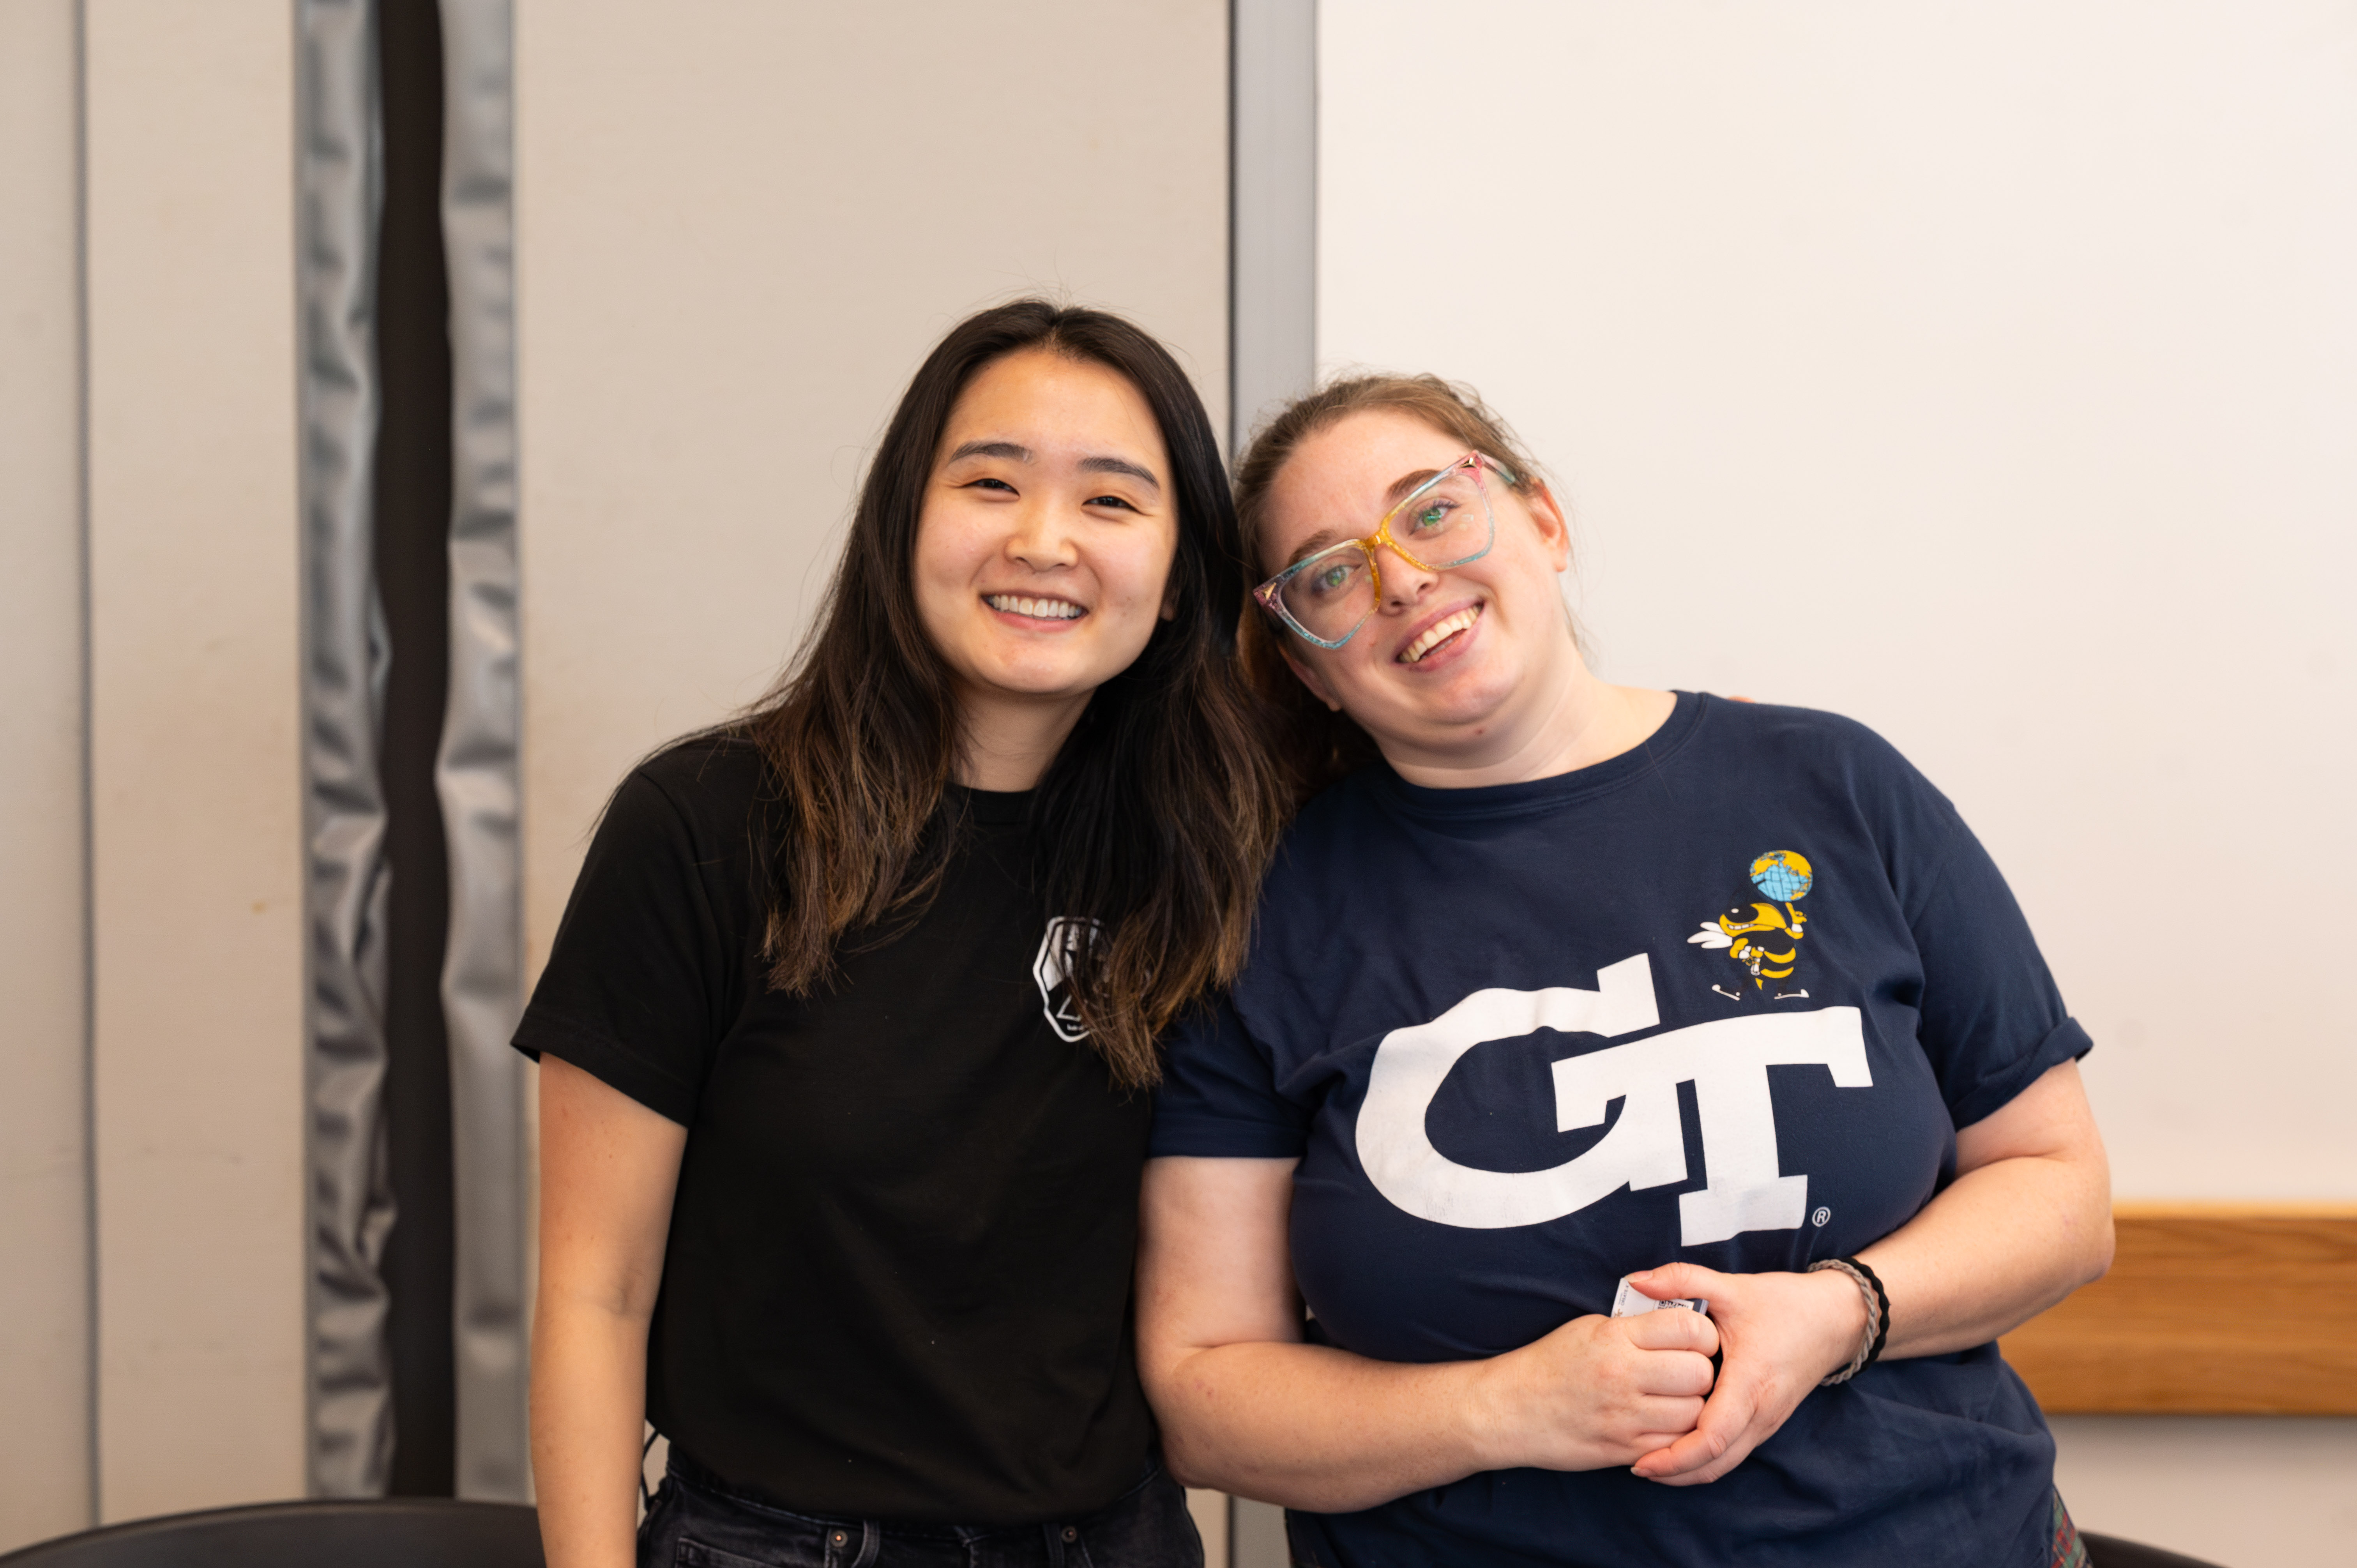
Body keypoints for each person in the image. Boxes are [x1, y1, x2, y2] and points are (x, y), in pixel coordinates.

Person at [1136, 374, 2115, 1568]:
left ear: (1544, 521)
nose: (1400, 578)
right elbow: (1204, 1394)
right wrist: (1505, 1408)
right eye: (1331, 573)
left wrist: (1838, 1312)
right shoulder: (1259, 918)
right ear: (1307, 662)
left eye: (1432, 511)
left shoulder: (1838, 788)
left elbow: (2059, 1191)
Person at [521, 300, 1286, 1568]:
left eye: (1111, 503)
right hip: (776, 1545)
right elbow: (594, 1297)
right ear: (902, 527)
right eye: (991, 483)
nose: (1044, 542)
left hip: (1114, 1541)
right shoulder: (706, 827)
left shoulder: (1218, 855)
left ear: (1177, 582)